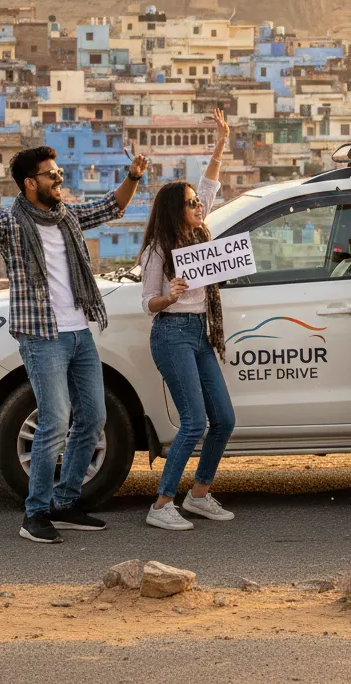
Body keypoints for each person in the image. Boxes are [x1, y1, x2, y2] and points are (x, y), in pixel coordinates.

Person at [0, 142, 149, 543]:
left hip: (79, 331)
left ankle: (65, 503)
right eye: (51, 174)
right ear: (31, 184)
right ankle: (36, 513)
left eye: (59, 172)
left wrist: (133, 176)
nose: (59, 177)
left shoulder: (67, 217)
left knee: (94, 418)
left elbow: (111, 206)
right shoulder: (13, 224)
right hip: (41, 335)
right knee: (53, 422)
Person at [140, 109, 237, 530]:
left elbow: (210, 184)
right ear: (174, 211)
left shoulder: (198, 236)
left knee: (224, 419)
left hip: (200, 332)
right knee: (194, 420)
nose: (200, 206)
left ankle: (199, 494)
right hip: (172, 333)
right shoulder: (158, 251)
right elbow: (147, 303)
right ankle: (162, 504)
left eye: (199, 203)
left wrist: (220, 142)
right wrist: (169, 295)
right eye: (192, 204)